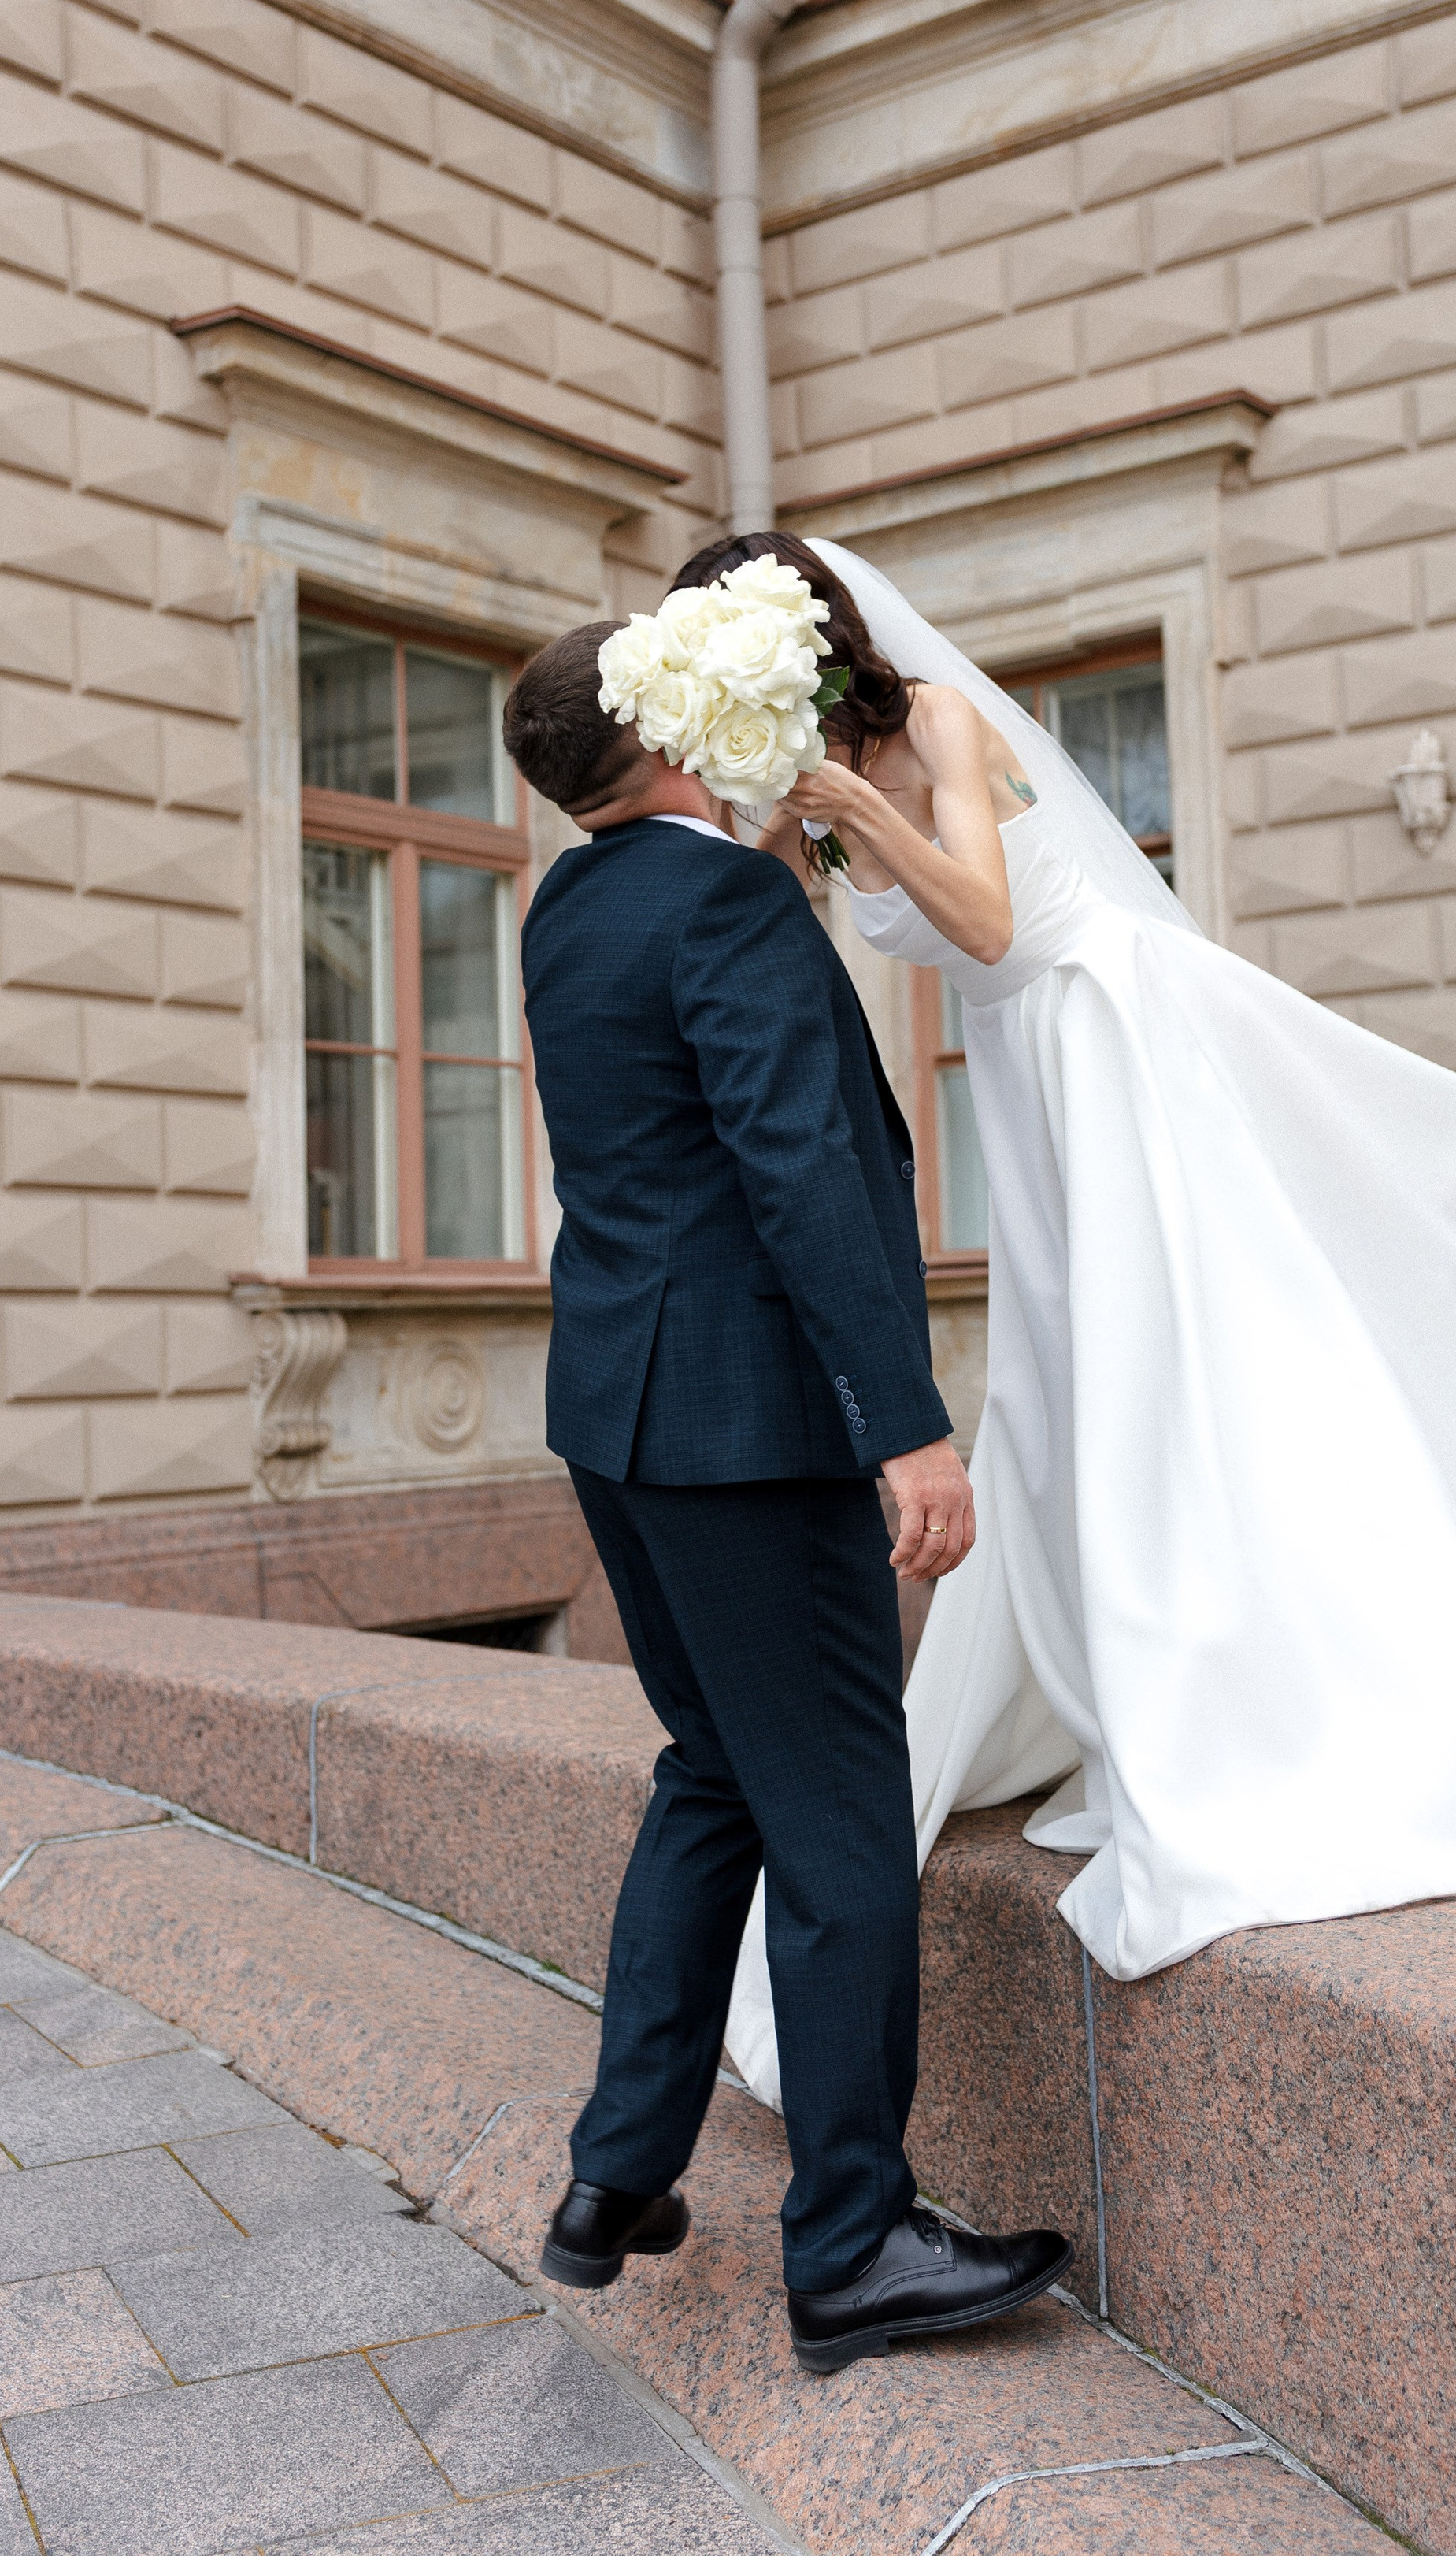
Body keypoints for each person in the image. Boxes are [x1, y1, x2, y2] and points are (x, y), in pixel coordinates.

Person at [662, 536, 1456, 2111]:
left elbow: (978, 912)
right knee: (1072, 1403)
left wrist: (860, 814)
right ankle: (1121, 1700)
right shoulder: (811, 775)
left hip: (1117, 1048)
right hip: (1029, 1096)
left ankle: (1294, 1714)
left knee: (1189, 1384)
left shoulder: (941, 730)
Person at [501, 621, 1071, 2374]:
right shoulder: (723, 907)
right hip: (751, 1432)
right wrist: (901, 1430)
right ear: (677, 735)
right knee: (832, 1818)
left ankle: (617, 2181)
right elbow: (801, 1167)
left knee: (713, 1777)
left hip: (619, 1417)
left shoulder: (572, 909)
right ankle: (848, 2248)